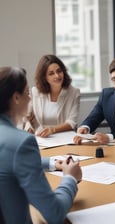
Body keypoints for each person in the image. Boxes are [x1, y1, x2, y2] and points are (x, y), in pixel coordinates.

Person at [0, 67, 82, 223]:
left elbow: (6, 163)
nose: (30, 98)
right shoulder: (22, 143)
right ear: (16, 98)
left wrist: (51, 163)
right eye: (26, 93)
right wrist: (70, 178)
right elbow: (54, 213)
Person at [24, 54, 80, 137]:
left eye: (59, 71)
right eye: (51, 73)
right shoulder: (35, 92)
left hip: (65, 138)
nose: (57, 76)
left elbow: (72, 122)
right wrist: (29, 127)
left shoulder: (74, 92)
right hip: (41, 138)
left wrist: (52, 130)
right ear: (44, 77)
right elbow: (26, 118)